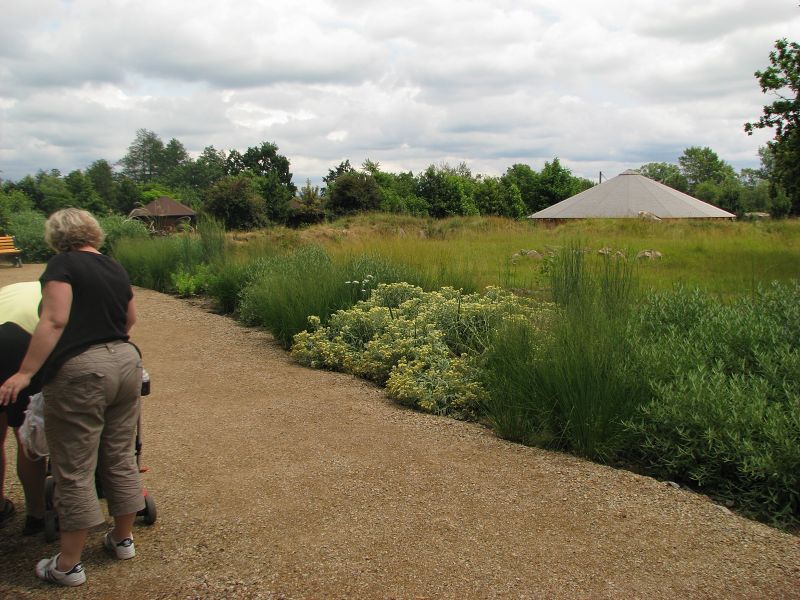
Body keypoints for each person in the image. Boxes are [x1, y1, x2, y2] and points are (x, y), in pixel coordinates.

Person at [0, 208, 145, 587]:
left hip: (82, 369)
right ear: (92, 232)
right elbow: (130, 318)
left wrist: (26, 372)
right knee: (119, 454)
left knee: (74, 465)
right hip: (126, 361)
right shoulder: (114, 266)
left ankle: (67, 564)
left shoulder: (62, 265)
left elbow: (54, 320)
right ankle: (122, 539)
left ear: (56, 235)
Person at [0, 281, 47, 534]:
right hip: (19, 341)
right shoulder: (59, 289)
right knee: (27, 434)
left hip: (5, 328)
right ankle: (36, 514)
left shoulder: (11, 289)